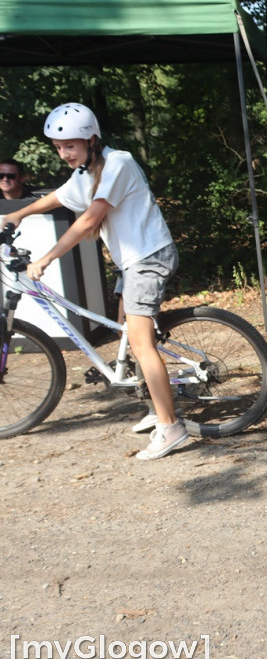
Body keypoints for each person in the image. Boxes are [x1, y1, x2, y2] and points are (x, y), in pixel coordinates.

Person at [1, 103, 188, 459]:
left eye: (69, 145)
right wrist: (19, 213)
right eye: (58, 147)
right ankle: (157, 403)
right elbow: (59, 196)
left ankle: (171, 427)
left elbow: (89, 221)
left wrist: (47, 257)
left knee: (140, 343)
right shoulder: (87, 173)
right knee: (126, 335)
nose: (64, 153)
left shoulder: (118, 163)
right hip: (131, 262)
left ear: (91, 139)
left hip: (148, 258)